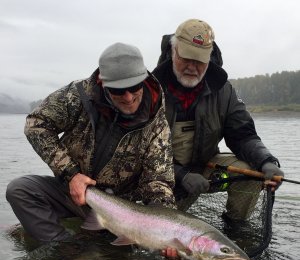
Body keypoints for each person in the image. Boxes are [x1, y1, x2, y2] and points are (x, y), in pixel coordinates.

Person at [6, 42, 176, 243]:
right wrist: (71, 174)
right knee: (20, 190)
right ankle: (65, 250)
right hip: (73, 192)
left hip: (121, 208)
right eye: (118, 90)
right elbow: (37, 124)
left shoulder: (157, 122)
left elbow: (158, 181)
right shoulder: (77, 96)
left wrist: (167, 231)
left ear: (144, 80)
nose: (128, 97)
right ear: (104, 84)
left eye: (134, 87)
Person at [152, 19, 284, 221]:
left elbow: (243, 135)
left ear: (209, 58)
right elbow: (141, 153)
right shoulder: (149, 90)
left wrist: (266, 161)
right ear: (173, 51)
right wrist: (181, 175)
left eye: (199, 61)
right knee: (159, 234)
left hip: (204, 168)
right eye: (186, 58)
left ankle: (236, 230)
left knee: (251, 172)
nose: (192, 67)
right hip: (161, 175)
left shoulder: (224, 90)